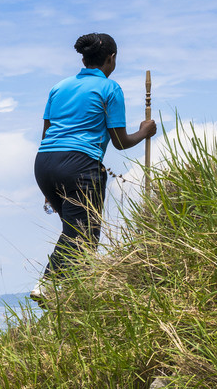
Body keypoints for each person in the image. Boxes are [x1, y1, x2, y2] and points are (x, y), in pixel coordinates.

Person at [33, 32, 158, 300]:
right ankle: (48, 285)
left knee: (75, 230)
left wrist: (48, 186)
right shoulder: (109, 89)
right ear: (111, 59)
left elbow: (47, 133)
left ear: (84, 58)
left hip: (44, 164)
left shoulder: (59, 87)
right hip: (79, 165)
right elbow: (120, 142)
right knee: (83, 232)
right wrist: (144, 131)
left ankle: (73, 294)